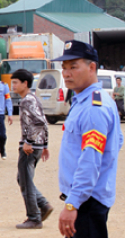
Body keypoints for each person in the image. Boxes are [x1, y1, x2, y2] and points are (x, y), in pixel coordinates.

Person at [52, 40, 123, 238]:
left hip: (87, 202)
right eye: (64, 68)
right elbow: (117, 140)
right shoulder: (84, 100)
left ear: (92, 67)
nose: (66, 73)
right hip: (86, 198)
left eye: (73, 67)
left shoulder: (93, 107)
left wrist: (73, 203)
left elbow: (91, 161)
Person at [11, 69, 53, 229]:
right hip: (37, 145)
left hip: (29, 147)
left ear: (25, 83)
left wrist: (29, 141)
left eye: (15, 82)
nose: (13, 85)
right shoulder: (34, 98)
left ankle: (34, 218)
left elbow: (39, 123)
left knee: (26, 182)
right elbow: (44, 122)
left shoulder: (26, 101)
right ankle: (43, 204)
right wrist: (45, 145)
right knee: (22, 179)